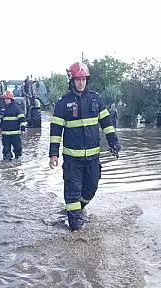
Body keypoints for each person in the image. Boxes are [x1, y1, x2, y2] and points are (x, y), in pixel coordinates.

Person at [48, 62, 121, 231]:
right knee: (72, 190)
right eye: (77, 79)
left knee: (92, 187)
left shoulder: (95, 99)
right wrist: (54, 154)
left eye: (83, 79)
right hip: (73, 159)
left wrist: (114, 143)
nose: (81, 83)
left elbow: (107, 124)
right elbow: (56, 131)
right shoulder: (62, 103)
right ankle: (75, 228)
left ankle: (77, 210)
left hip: (93, 157)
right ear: (72, 81)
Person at [0, 90, 26, 160]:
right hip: (5, 134)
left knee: (18, 148)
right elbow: (0, 118)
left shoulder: (16, 108)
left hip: (15, 133)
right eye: (5, 99)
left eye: (8, 99)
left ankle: (18, 161)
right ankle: (7, 164)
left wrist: (23, 128)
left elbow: (22, 118)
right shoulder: (3, 109)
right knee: (6, 150)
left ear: (11, 99)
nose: (6, 101)